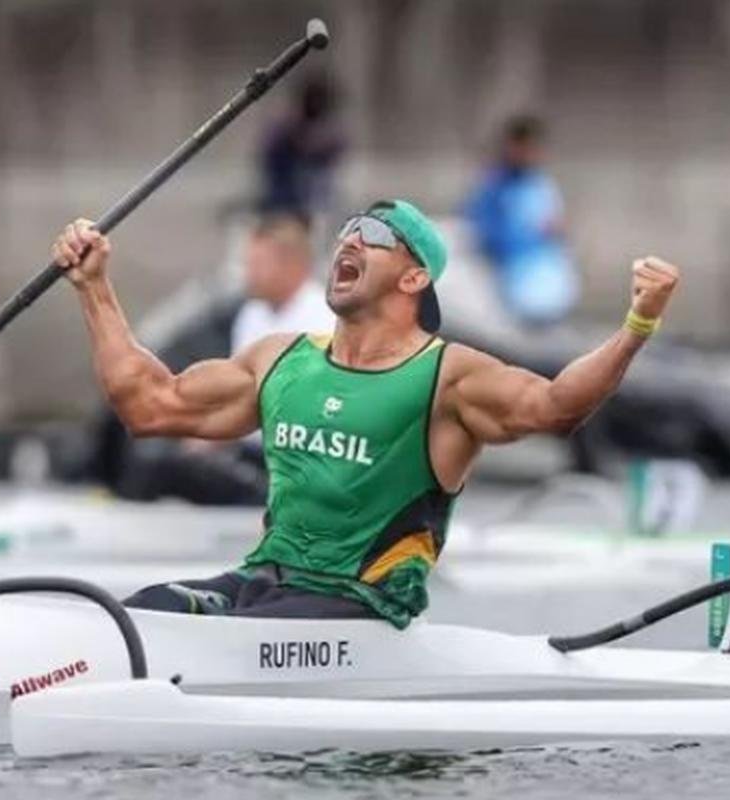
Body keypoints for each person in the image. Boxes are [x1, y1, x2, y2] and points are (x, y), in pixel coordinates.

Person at [51, 199, 678, 627]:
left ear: (413, 279)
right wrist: (95, 288)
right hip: (262, 583)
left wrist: (637, 324)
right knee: (134, 613)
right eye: (348, 229)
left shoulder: (448, 376)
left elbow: (556, 407)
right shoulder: (280, 360)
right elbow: (150, 405)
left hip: (359, 605)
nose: (350, 239)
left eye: (376, 236)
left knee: (192, 630)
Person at [464, 115, 579, 326]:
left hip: (549, 280)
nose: (533, 154)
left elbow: (555, 228)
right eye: (527, 148)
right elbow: (486, 236)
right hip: (517, 279)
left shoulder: (540, 183)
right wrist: (534, 235)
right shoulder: (494, 187)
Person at [231, 212, 334, 355]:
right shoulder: (250, 314)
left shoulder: (326, 317)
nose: (250, 275)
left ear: (292, 266)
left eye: (259, 265)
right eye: (249, 265)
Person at [257, 74, 345, 216]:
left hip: (313, 201)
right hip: (283, 201)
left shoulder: (327, 132)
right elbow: (271, 154)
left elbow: (334, 150)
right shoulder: (285, 128)